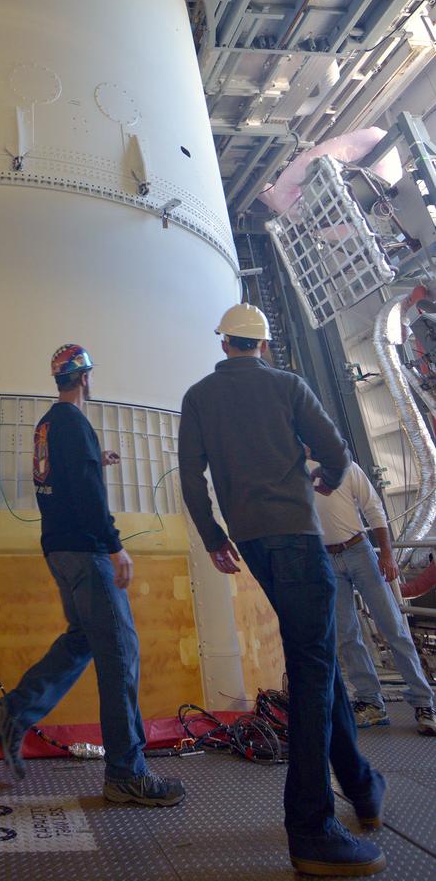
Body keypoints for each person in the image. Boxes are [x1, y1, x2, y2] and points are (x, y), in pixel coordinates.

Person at [178, 304, 386, 878]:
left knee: (315, 661)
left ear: (225, 345)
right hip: (298, 540)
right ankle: (312, 825)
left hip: (252, 544)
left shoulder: (199, 397)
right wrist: (328, 476)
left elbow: (189, 474)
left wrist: (216, 535)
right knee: (314, 670)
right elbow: (336, 449)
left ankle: (364, 789)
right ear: (264, 345)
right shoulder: (288, 386)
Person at [0, 344, 185, 809]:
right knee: (120, 652)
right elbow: (87, 493)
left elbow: (68, 475)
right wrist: (115, 547)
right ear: (84, 378)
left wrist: (99, 456)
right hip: (87, 550)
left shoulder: (49, 425)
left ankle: (15, 710)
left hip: (58, 548)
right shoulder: (74, 423)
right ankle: (126, 772)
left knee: (82, 639)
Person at [306, 455, 436, 736]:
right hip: (325, 558)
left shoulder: (344, 466)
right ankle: (370, 702)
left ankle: (424, 703)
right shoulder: (293, 474)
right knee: (347, 635)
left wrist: (387, 555)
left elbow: (373, 508)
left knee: (393, 628)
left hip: (358, 551)